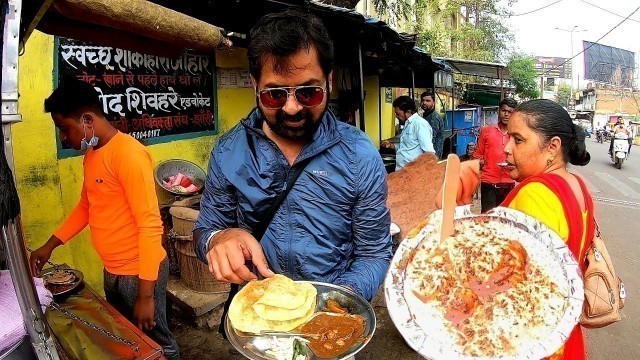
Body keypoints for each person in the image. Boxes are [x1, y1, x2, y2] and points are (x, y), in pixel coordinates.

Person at [193, 10, 391, 304]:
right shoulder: (228, 151)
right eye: (274, 94)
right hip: (260, 313)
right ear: (254, 85)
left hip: (333, 314)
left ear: (330, 81)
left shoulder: (359, 155)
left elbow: (374, 252)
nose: (292, 108)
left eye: (308, 93)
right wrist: (217, 239)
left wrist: (339, 299)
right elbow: (206, 230)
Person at [28, 79, 179, 359]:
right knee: (128, 339)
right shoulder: (92, 155)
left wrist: (146, 295)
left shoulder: (129, 154)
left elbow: (149, 225)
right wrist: (50, 245)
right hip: (113, 270)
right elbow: (86, 207)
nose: (62, 138)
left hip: (139, 274)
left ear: (87, 119)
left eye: (64, 128)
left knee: (159, 344)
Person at [440, 99, 594, 360]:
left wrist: (453, 209)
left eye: (518, 140)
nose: (507, 149)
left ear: (552, 147)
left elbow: (487, 281)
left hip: (527, 340)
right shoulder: (576, 184)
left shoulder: (535, 194)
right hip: (561, 336)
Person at [473, 98, 517, 213]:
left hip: (509, 184)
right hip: (489, 183)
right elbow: (477, 156)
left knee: (505, 221)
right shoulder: (486, 131)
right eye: (504, 111)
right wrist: (482, 162)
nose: (506, 114)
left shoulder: (517, 136)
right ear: (499, 111)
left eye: (510, 112)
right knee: (487, 220)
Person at [381, 96, 435, 170]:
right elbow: (407, 147)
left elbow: (429, 153)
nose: (396, 116)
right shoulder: (408, 124)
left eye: (398, 114)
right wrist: (391, 146)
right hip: (402, 171)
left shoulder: (420, 124)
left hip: (413, 173)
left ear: (408, 111)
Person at [420, 91, 445, 158]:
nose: (424, 103)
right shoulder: (426, 115)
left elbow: (430, 139)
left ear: (433, 103)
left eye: (428, 101)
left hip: (432, 157)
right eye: (423, 100)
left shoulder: (434, 118)